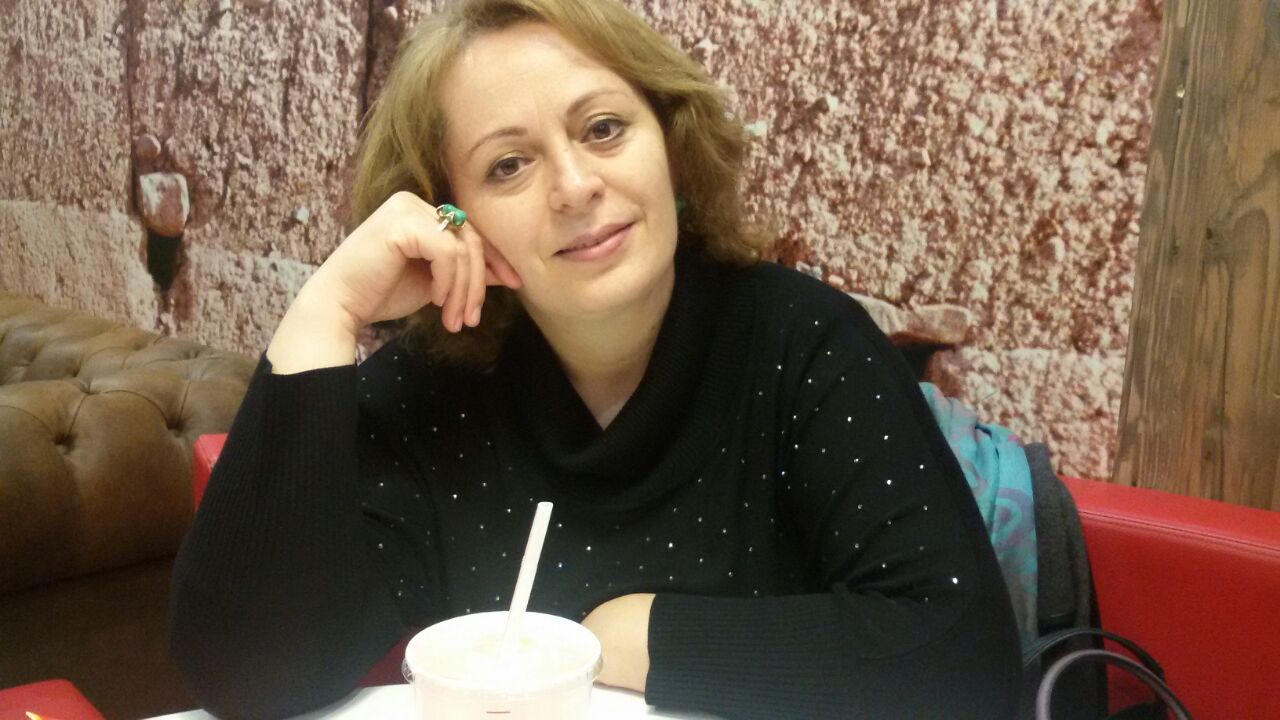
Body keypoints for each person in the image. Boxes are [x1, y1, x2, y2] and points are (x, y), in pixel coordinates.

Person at [169, 0, 1022, 717]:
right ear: (451, 216)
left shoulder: (801, 341)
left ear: (671, 144)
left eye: (604, 128)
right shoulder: (436, 389)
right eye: (508, 165)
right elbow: (247, 674)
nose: (575, 186)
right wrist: (325, 313)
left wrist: (634, 634)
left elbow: (961, 656)